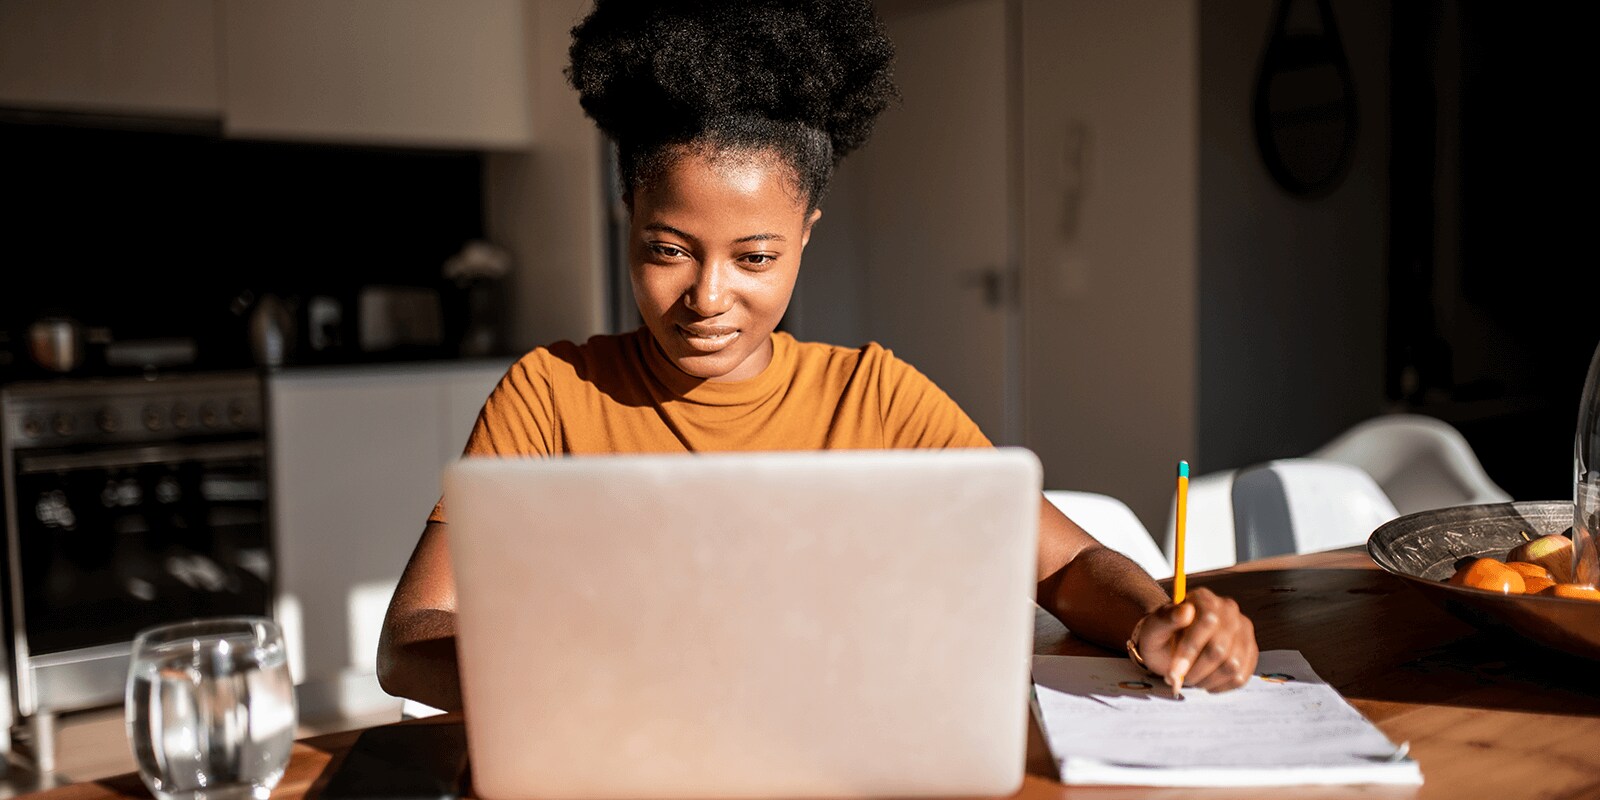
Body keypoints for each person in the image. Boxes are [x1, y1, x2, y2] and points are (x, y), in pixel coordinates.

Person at [378, 0, 1257, 713]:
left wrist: (1162, 622)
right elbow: (413, 632)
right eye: (667, 249)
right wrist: (578, 686)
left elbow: (1064, 566)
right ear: (627, 219)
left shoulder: (875, 397)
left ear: (806, 238)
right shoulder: (551, 394)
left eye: (754, 258)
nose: (710, 297)